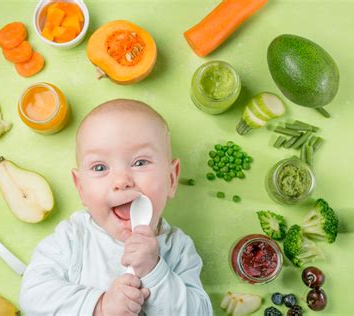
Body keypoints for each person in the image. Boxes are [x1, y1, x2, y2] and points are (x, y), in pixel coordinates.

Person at [20, 99, 212, 315]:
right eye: (100, 167)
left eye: (140, 162)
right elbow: (32, 296)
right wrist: (99, 306)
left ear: (171, 179)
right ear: (81, 188)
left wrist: (154, 271)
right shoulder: (73, 237)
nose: (122, 180)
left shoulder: (178, 249)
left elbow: (201, 312)